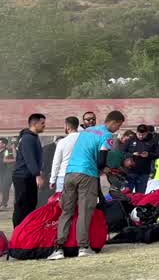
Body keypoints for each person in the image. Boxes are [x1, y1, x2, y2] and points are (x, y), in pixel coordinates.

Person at [48, 110, 124, 260]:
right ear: (114, 122)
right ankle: (83, 247)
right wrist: (105, 169)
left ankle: (58, 249)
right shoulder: (107, 136)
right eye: (119, 126)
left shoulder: (88, 130)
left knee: (67, 211)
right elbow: (101, 161)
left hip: (70, 173)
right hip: (87, 175)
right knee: (84, 211)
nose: (118, 129)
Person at [12, 112, 46, 227]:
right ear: (34, 123)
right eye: (42, 123)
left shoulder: (33, 137)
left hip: (29, 176)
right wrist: (37, 175)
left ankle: (26, 232)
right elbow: (29, 159)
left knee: (30, 205)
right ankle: (18, 233)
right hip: (23, 177)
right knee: (22, 206)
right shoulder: (27, 138)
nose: (44, 125)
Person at [49, 116, 81, 193]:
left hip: (64, 176)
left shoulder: (62, 142)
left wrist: (52, 180)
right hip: (81, 176)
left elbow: (56, 162)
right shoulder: (84, 140)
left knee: (63, 202)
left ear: (67, 127)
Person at [125, 124, 159, 194]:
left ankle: (138, 205)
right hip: (131, 171)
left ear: (147, 133)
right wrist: (132, 154)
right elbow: (122, 152)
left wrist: (148, 155)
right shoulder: (130, 140)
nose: (141, 136)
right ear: (136, 132)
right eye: (139, 134)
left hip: (144, 172)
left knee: (140, 194)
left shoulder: (152, 141)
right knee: (127, 193)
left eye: (143, 135)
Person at [0, 137, 13, 210]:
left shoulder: (7, 151)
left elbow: (6, 160)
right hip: (0, 171)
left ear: (4, 144)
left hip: (6, 172)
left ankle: (4, 204)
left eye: (0, 143)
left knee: (4, 187)